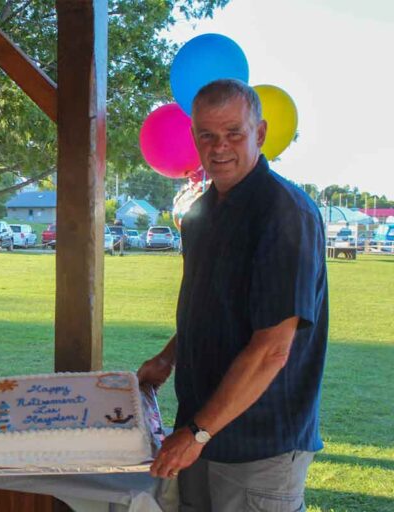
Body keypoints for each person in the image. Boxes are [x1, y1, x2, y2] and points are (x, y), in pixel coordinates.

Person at [138, 79, 328, 511]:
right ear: (194, 137)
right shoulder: (202, 212)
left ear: (259, 134)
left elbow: (271, 351)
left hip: (259, 446)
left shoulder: (284, 214)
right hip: (201, 430)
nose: (219, 147)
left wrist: (197, 433)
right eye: (207, 134)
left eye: (233, 133)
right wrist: (168, 358)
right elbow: (208, 308)